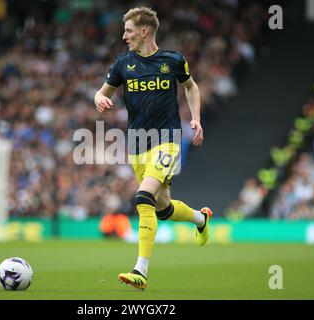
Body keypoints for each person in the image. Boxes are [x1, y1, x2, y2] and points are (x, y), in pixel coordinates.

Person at [94, 7, 213, 290]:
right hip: (137, 146)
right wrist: (98, 99)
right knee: (161, 209)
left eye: (129, 31)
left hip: (168, 141)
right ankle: (201, 219)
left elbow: (191, 87)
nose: (124, 36)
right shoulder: (123, 64)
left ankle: (141, 271)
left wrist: (195, 118)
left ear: (144, 31)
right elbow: (102, 91)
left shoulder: (173, 60)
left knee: (143, 197)